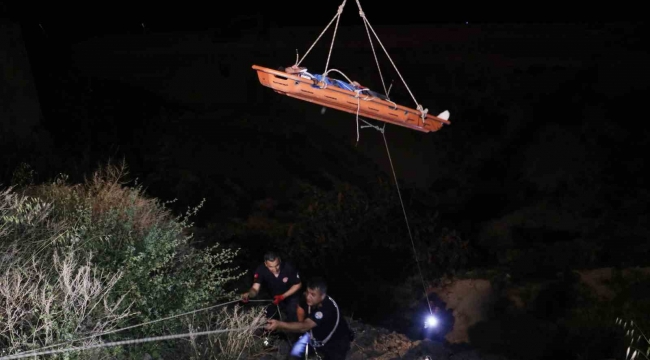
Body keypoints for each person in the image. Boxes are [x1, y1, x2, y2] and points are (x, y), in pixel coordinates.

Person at [265, 277, 353, 359]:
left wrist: (279, 324)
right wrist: (300, 327)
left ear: (322, 296)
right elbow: (300, 307)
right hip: (313, 335)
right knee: (294, 354)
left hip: (335, 342)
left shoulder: (327, 308)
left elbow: (304, 326)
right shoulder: (306, 297)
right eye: (308, 292)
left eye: (313, 295)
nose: (308, 297)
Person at [242, 251, 302, 322]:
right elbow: (255, 288)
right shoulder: (261, 270)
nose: (275, 269)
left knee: (293, 315)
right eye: (271, 267)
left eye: (277, 265)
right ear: (266, 264)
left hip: (291, 296)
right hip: (273, 297)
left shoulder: (288, 267)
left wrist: (283, 296)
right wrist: (249, 294)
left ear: (279, 260)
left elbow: (298, 284)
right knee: (270, 317)